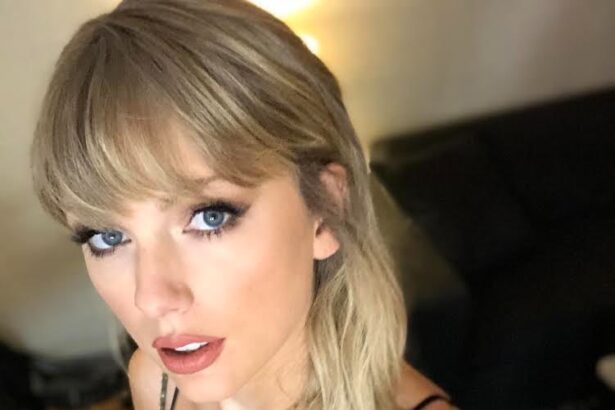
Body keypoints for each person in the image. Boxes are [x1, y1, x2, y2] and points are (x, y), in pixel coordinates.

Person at [31, 1, 455, 409]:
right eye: (107, 237)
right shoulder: (156, 382)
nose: (153, 298)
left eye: (209, 217)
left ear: (325, 209)